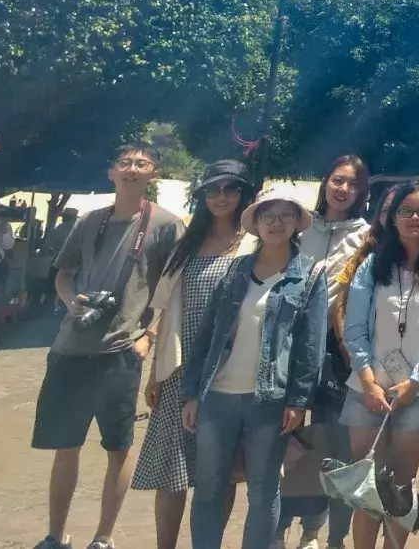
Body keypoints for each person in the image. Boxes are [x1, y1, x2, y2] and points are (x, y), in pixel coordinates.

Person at [31, 141, 185, 549]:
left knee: (118, 447)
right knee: (66, 446)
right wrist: (71, 303)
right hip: (70, 348)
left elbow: (172, 291)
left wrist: (147, 339)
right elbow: (63, 276)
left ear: (154, 174)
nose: (131, 168)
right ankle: (55, 533)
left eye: (141, 163)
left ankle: (104, 536)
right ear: (111, 172)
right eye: (124, 162)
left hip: (121, 351)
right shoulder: (89, 220)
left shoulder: (167, 225)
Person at [180, 182, 329, 549]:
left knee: (264, 491)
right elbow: (206, 336)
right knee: (209, 487)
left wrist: (298, 401)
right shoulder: (235, 271)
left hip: (270, 400)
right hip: (217, 393)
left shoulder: (308, 276)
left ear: (297, 222)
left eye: (285, 215)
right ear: (257, 223)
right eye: (268, 216)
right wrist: (191, 393)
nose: (276, 223)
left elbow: (311, 346)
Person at [134, 161, 253, 549]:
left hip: (229, 371)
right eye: (213, 189)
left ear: (243, 194)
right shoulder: (187, 242)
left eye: (230, 189)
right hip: (179, 368)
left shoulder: (254, 242)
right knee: (172, 469)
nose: (221, 196)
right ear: (202, 196)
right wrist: (155, 372)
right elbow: (167, 309)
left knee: (221, 472)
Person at [342, 182, 419, 549]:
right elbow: (354, 328)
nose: (414, 218)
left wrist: (416, 381)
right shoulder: (371, 264)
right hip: (368, 390)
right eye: (405, 211)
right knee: (367, 488)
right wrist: (367, 379)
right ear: (392, 218)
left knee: (399, 487)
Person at [279, 154, 373, 549]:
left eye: (352, 184)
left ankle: (318, 534)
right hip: (290, 344)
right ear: (325, 182)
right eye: (337, 180)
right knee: (289, 439)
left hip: (337, 352)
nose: (343, 189)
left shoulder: (367, 235)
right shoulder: (302, 228)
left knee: (335, 445)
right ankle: (278, 527)